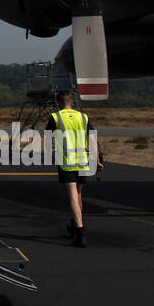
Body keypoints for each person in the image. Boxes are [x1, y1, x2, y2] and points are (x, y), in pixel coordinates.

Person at [45, 90, 104, 248]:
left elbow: (48, 138)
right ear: (72, 101)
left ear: (58, 102)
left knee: (72, 195)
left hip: (66, 161)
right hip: (83, 161)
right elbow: (92, 140)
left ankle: (80, 232)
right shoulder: (83, 117)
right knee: (78, 194)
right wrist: (97, 160)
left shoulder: (56, 117)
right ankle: (74, 223)